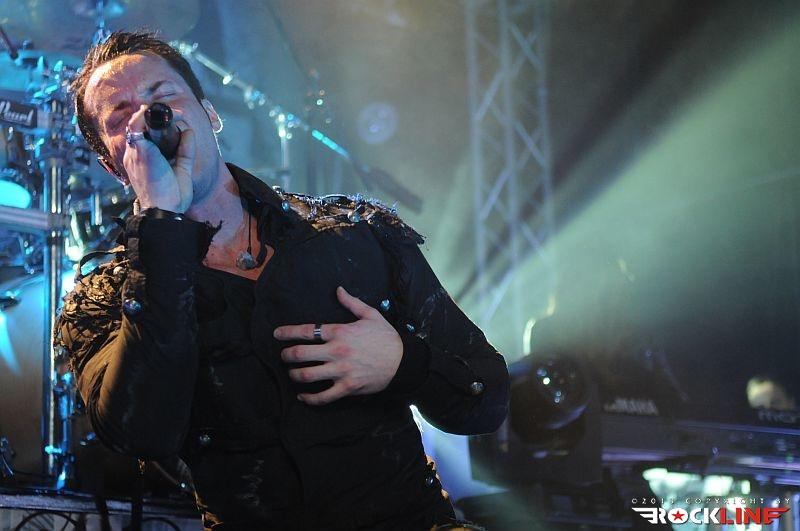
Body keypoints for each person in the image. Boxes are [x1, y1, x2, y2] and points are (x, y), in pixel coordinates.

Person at [54, 31, 509, 530]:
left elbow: (486, 399)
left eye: (163, 97)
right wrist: (162, 222)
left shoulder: (355, 235)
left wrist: (403, 362)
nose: (147, 117)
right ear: (113, 166)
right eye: (121, 118)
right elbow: (142, 433)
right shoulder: (104, 299)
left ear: (209, 115)